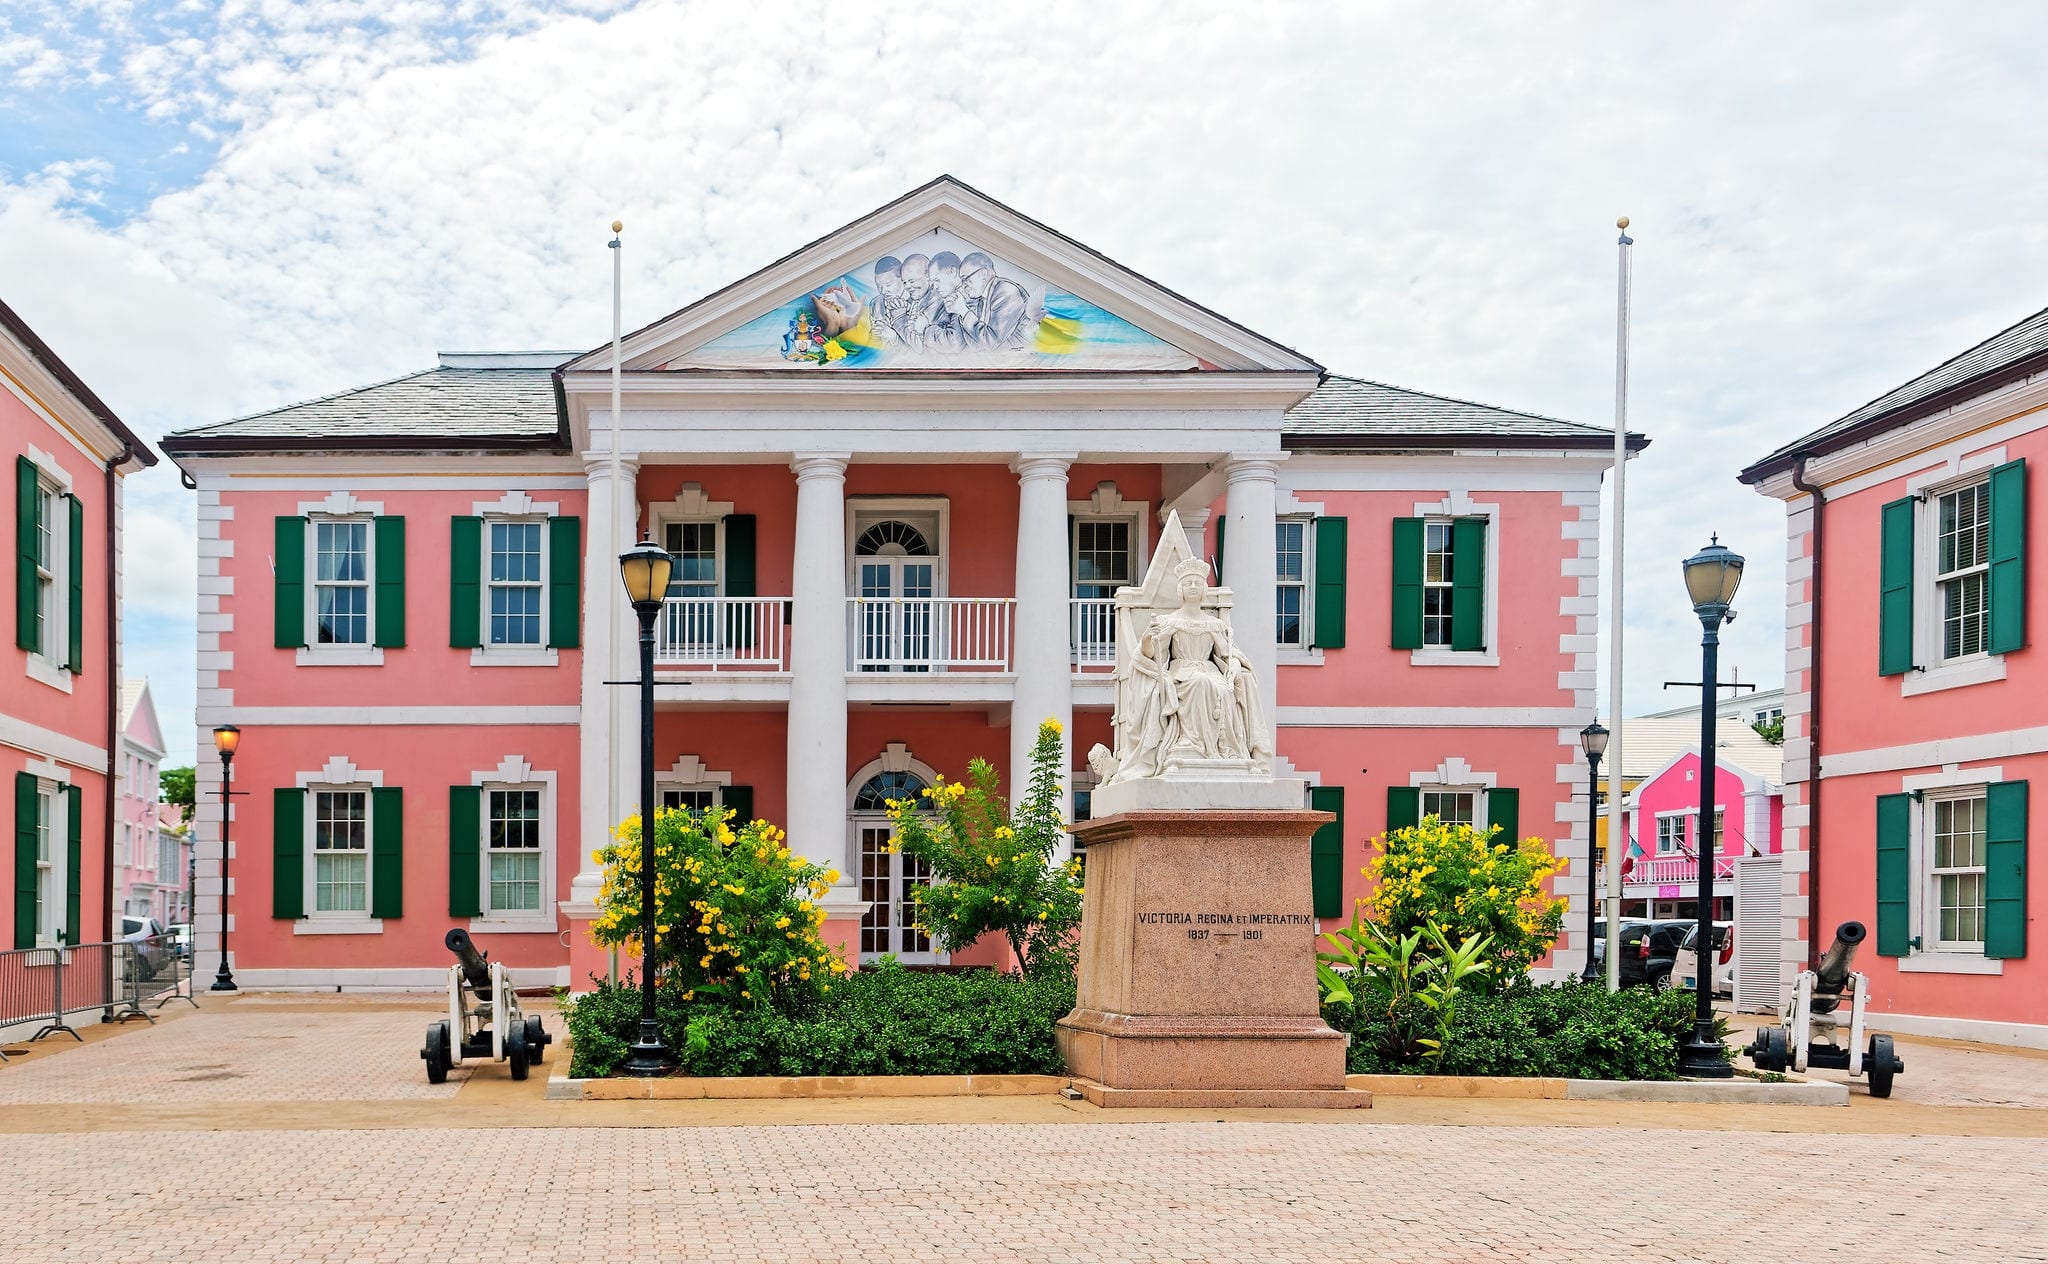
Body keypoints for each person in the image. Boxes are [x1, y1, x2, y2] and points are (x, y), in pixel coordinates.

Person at [1110, 557, 1270, 780]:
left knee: (1224, 689)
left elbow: (1228, 654)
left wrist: (1233, 666)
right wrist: (1148, 639)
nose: (1193, 587)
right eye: (1188, 583)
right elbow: (1150, 654)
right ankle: (1188, 743)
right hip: (1182, 673)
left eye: (1197, 582)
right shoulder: (1170, 621)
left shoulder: (1214, 624)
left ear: (1203, 588)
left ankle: (1226, 750)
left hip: (1209, 670)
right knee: (1199, 683)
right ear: (1180, 589)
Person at [955, 251, 1032, 350]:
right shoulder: (983, 299)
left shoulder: (1006, 291)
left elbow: (991, 342)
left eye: (966, 279)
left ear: (983, 273)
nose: (963, 285)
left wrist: (964, 313)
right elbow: (977, 347)